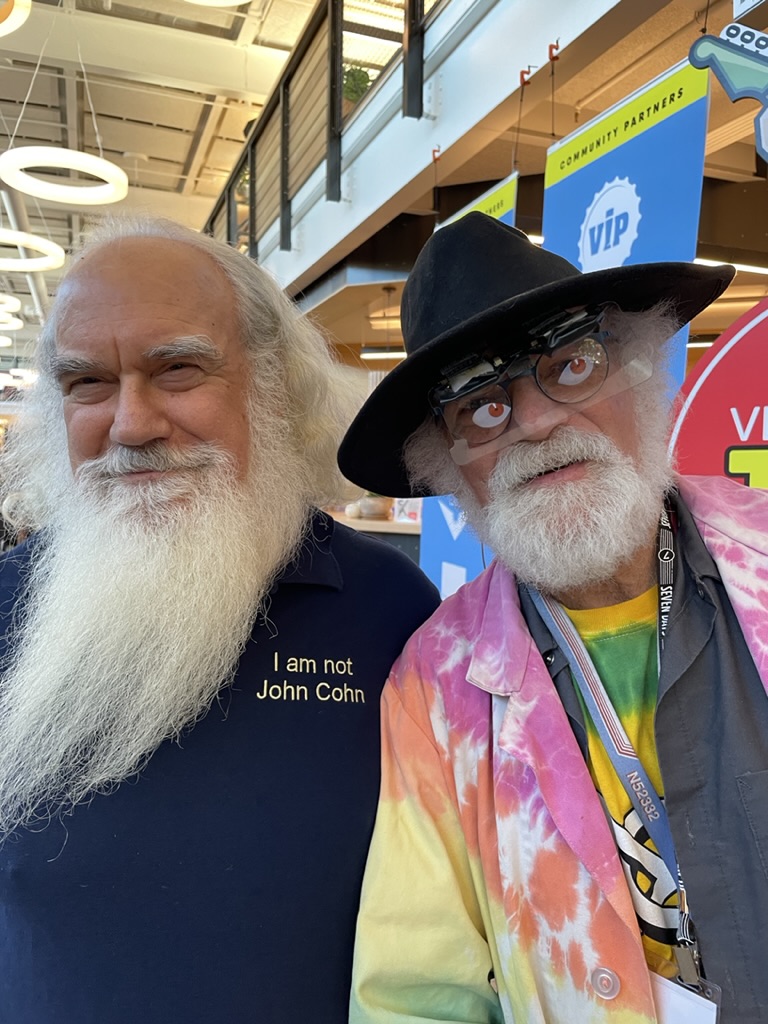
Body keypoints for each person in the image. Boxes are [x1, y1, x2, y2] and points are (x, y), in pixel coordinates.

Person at [0, 215, 439, 1024]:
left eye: (177, 369)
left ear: (273, 385)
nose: (131, 425)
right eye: (87, 382)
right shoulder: (8, 613)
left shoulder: (392, 612)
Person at [339, 212, 768, 1023]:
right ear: (446, 466)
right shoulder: (436, 687)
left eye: (571, 363)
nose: (535, 421)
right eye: (479, 406)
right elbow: (415, 1001)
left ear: (639, 373)